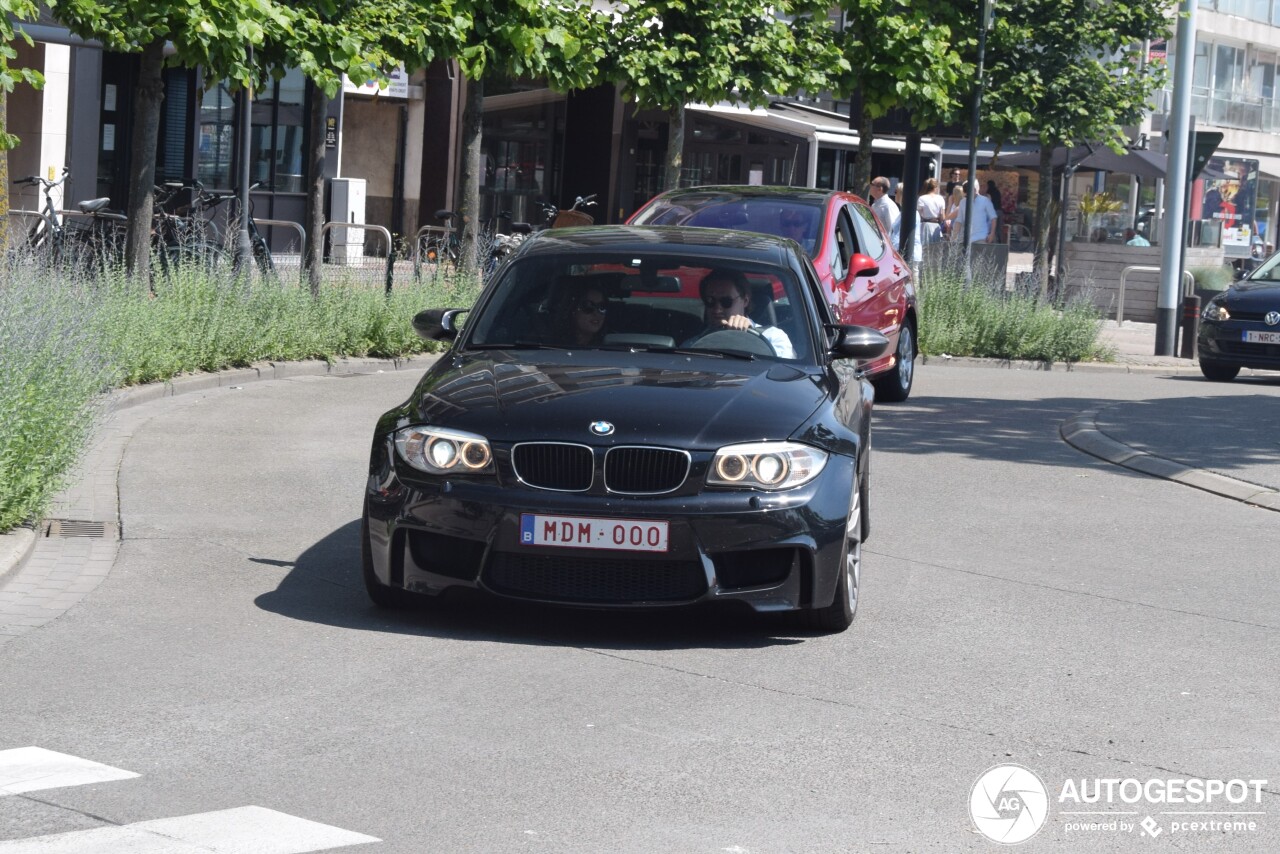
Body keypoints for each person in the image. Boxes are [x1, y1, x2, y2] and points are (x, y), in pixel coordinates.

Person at [688, 269, 794, 358]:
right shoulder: (694, 344)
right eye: (710, 301)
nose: (717, 309)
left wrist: (746, 338)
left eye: (726, 301)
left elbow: (783, 376)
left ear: (745, 301)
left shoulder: (773, 337)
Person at [868, 176, 901, 247]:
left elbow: (893, 229)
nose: (870, 186)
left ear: (880, 189)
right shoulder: (875, 204)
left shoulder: (888, 206)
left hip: (883, 246)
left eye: (872, 184)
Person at [916, 178, 946, 245]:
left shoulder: (922, 198)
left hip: (925, 226)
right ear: (935, 187)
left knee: (925, 248)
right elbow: (943, 217)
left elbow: (918, 215)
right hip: (936, 226)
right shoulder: (940, 198)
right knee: (936, 249)